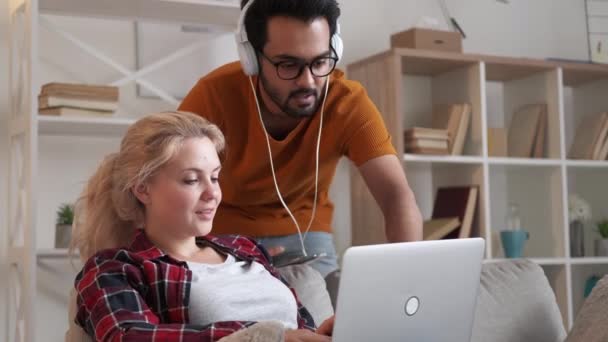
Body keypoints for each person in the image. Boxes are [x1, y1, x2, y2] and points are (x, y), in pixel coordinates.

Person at [178, 0, 423, 277]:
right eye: (288, 65)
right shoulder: (213, 96)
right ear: (252, 59)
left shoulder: (347, 102)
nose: (307, 81)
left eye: (320, 62)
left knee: (326, 312)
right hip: (221, 236)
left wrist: (408, 276)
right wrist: (196, 251)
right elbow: (169, 189)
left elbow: (396, 196)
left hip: (306, 236)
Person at [71, 111, 334, 341]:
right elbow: (127, 337)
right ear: (143, 190)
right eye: (191, 180)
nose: (213, 193)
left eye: (215, 177)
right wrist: (263, 338)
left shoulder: (243, 248)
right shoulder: (116, 269)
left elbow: (300, 329)